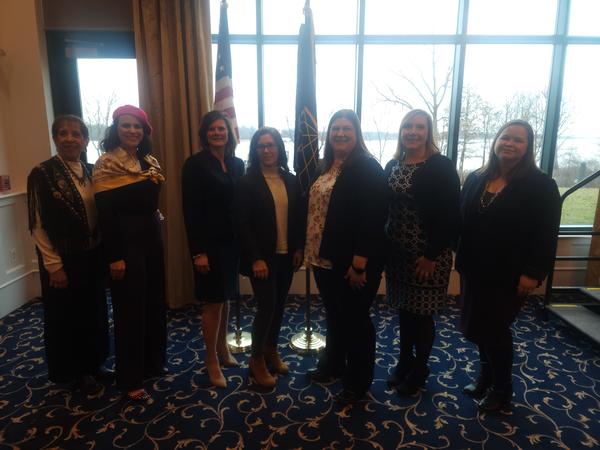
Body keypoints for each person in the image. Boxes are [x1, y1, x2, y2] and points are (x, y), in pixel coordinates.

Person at [456, 119, 560, 412]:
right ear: (496, 141)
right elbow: (463, 220)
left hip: (510, 275)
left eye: (518, 140)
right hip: (474, 270)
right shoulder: (477, 178)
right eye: (505, 137)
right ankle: (486, 378)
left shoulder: (541, 185)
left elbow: (546, 234)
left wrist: (533, 273)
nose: (510, 143)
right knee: (477, 328)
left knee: (495, 331)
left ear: (528, 148)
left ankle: (502, 392)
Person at [304, 109, 387, 405]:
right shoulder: (325, 166)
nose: (340, 133)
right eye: (335, 128)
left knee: (356, 322)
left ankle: (358, 382)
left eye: (346, 129)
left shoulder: (367, 168)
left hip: (354, 264)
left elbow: (373, 219)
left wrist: (359, 263)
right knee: (336, 318)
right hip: (322, 258)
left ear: (356, 133)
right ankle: (334, 366)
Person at [27, 115, 109, 395]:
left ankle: (95, 363)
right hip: (63, 259)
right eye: (63, 133)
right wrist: (54, 266)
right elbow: (37, 225)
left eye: (76, 134)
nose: (70, 138)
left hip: (91, 256)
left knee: (94, 311)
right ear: (55, 138)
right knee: (68, 316)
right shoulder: (41, 173)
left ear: (85, 140)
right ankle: (76, 372)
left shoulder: (90, 170)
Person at [93, 105, 167, 401]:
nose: (132, 131)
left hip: (151, 239)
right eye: (126, 126)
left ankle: (151, 363)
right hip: (125, 244)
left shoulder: (149, 161)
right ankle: (130, 379)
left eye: (138, 126)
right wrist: (115, 256)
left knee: (153, 302)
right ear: (116, 129)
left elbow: (150, 204)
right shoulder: (105, 163)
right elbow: (106, 215)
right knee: (130, 311)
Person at [384, 109, 460, 396]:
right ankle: (405, 362)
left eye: (419, 127)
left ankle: (420, 369)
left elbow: (452, 216)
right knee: (405, 312)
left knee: (422, 315)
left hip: (428, 256)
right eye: (407, 127)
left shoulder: (440, 166)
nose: (412, 132)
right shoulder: (393, 164)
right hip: (398, 256)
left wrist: (431, 255)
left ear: (429, 132)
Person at [234, 127, 304, 387]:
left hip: (287, 256)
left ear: (279, 148)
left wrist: (298, 248)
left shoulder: (292, 180)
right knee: (266, 308)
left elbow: (297, 219)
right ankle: (256, 360)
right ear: (255, 150)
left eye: (271, 145)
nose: (266, 150)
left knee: (278, 306)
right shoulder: (246, 182)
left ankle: (271, 349)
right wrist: (255, 259)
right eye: (261, 146)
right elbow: (242, 224)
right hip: (262, 259)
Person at [182, 111, 245, 388]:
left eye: (222, 128)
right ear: (205, 134)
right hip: (209, 246)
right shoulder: (195, 165)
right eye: (212, 129)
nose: (217, 133)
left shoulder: (237, 163)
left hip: (232, 244)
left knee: (226, 298)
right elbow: (191, 212)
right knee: (213, 302)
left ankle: (223, 349)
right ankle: (211, 360)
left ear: (229, 133)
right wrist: (198, 252)